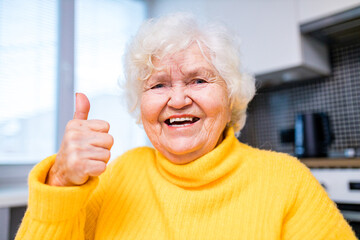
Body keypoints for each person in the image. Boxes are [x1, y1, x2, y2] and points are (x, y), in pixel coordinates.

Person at [16, 13, 357, 240]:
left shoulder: (286, 181)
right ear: (141, 104)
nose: (177, 100)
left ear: (231, 96)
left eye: (197, 80)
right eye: (158, 85)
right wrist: (59, 181)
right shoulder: (117, 176)